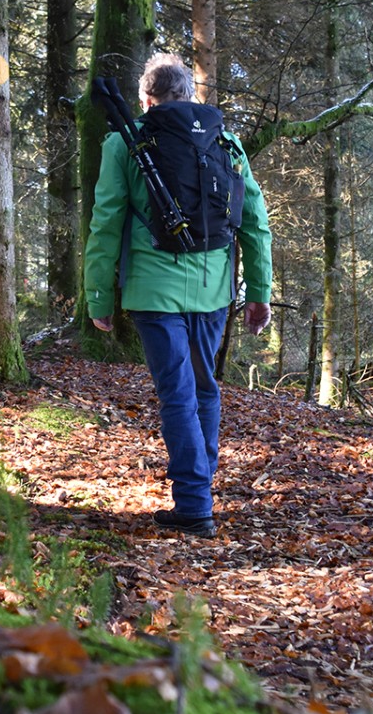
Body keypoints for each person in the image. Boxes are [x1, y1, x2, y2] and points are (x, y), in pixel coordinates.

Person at [83, 53, 273, 538]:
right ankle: (200, 487)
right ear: (190, 96)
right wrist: (260, 292)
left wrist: (99, 296)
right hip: (213, 288)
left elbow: (106, 223)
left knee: (177, 394)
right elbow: (254, 223)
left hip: (152, 289)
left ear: (146, 100)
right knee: (203, 387)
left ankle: (193, 503)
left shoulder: (124, 144)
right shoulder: (227, 144)